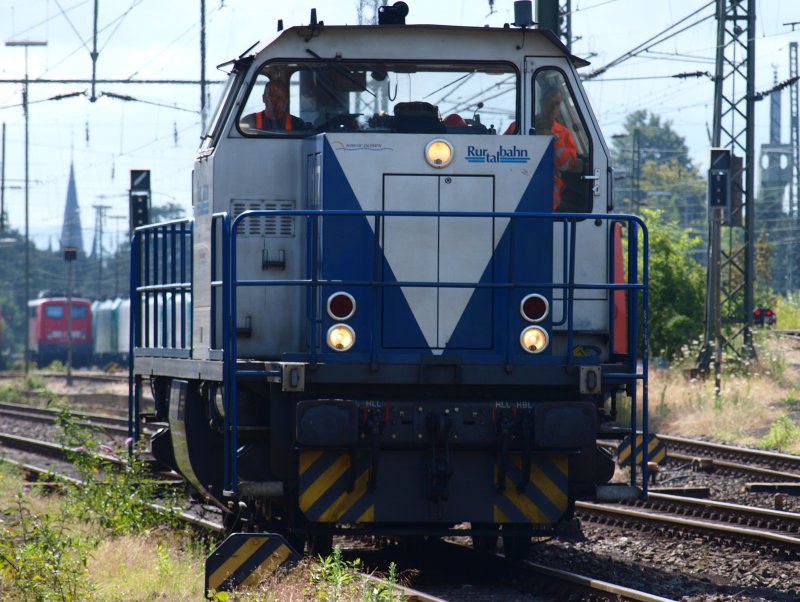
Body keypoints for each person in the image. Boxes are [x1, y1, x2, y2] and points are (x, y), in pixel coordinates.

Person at [535, 85, 582, 209]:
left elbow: (568, 164)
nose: (554, 107)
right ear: (541, 102)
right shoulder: (519, 126)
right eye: (550, 103)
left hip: (551, 200)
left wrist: (555, 140)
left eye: (557, 103)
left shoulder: (563, 133)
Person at [241, 80, 305, 132]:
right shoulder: (248, 121)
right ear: (263, 98)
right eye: (270, 95)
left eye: (279, 96)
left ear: (286, 101)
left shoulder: (297, 124)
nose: (274, 99)